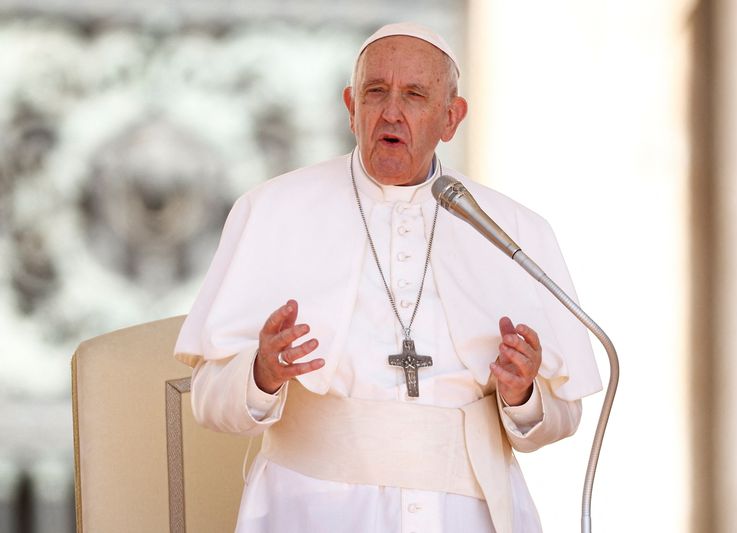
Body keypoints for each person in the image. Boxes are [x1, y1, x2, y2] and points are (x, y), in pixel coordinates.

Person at [174, 22, 602, 533]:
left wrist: (523, 393)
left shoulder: (511, 229)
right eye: (376, 92)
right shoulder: (272, 211)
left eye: (415, 95)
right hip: (310, 514)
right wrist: (261, 374)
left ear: (451, 117)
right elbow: (208, 400)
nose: (391, 111)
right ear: (351, 107)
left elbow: (560, 418)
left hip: (468, 517)